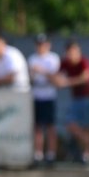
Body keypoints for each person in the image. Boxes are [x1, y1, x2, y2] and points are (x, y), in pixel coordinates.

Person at [56, 40, 89, 163]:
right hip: (76, 99)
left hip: (88, 98)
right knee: (70, 124)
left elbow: (86, 77)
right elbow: (57, 77)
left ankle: (87, 155)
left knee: (87, 126)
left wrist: (67, 82)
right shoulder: (65, 63)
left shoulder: (84, 61)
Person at [27, 33, 61, 166]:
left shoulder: (53, 59)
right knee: (37, 127)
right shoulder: (32, 59)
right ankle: (38, 154)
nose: (40, 47)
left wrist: (41, 71)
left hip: (49, 96)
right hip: (36, 95)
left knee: (50, 126)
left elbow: (55, 78)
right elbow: (30, 79)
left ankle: (51, 154)